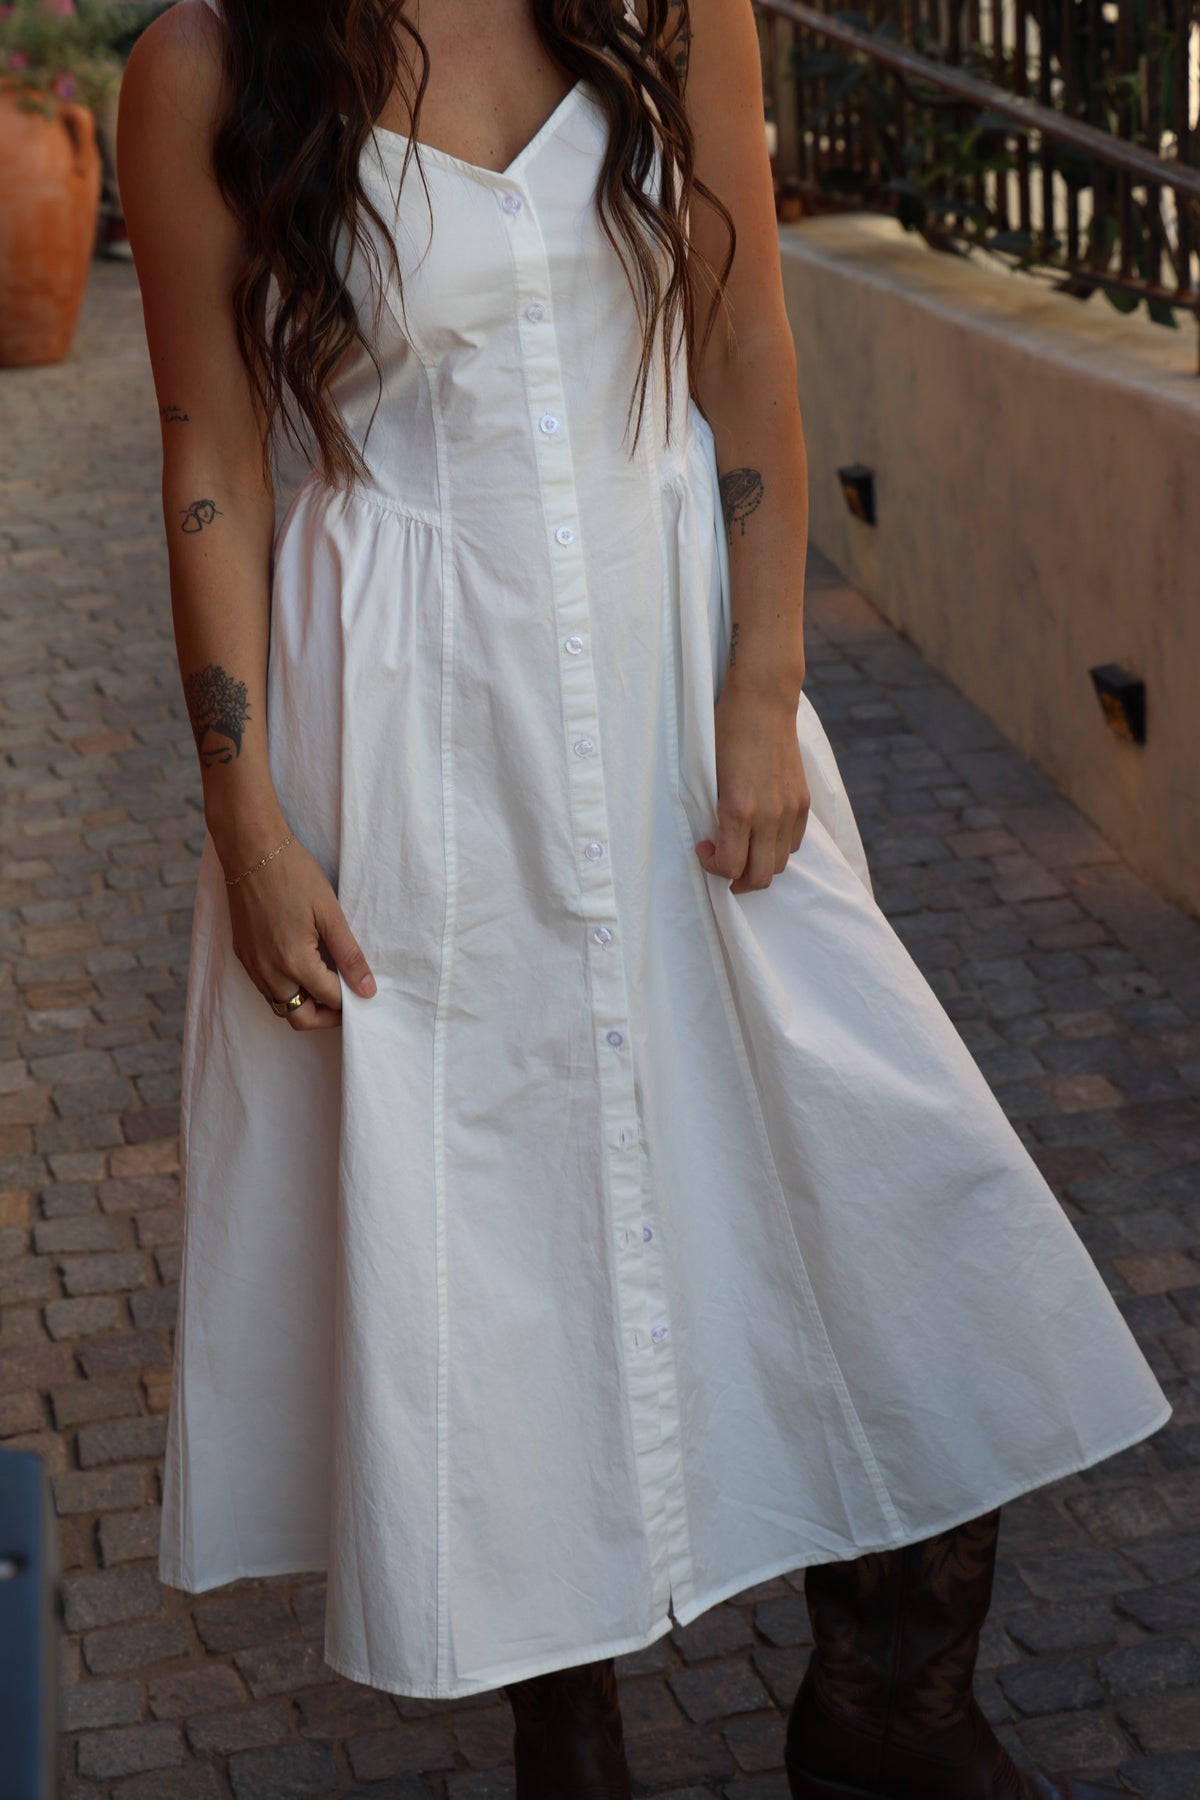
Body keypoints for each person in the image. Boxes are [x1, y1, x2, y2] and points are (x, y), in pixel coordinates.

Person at [117, 1, 1170, 1794]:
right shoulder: (208, 67)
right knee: (505, 1248)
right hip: (408, 735)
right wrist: (249, 818)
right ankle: (570, 1738)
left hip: (681, 707)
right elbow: (209, 455)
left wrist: (762, 686)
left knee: (885, 1177)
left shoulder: (668, 8)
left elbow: (745, 343)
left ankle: (884, 1712)